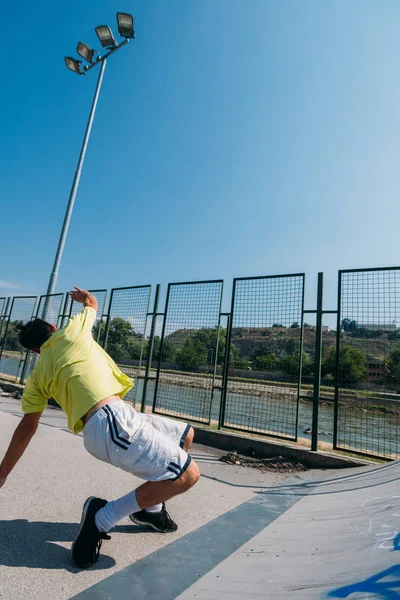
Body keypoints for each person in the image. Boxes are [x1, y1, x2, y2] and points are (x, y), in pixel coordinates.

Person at [0, 287, 200, 569]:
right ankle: (102, 517)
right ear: (54, 329)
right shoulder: (72, 330)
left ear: (34, 350)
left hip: (115, 420)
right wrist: (83, 298)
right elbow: (92, 303)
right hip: (112, 424)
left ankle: (150, 511)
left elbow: (26, 429)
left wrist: (2, 474)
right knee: (188, 475)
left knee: (184, 435)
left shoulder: (36, 377)